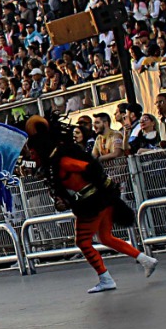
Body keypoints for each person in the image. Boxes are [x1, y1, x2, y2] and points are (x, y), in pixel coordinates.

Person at [25, 116, 157, 293]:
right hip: (99, 201)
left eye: (33, 152)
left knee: (83, 242)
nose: (31, 156)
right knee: (105, 237)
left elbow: (90, 168)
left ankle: (105, 278)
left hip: (93, 204)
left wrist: (97, 192)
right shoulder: (53, 165)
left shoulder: (62, 161)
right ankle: (145, 260)